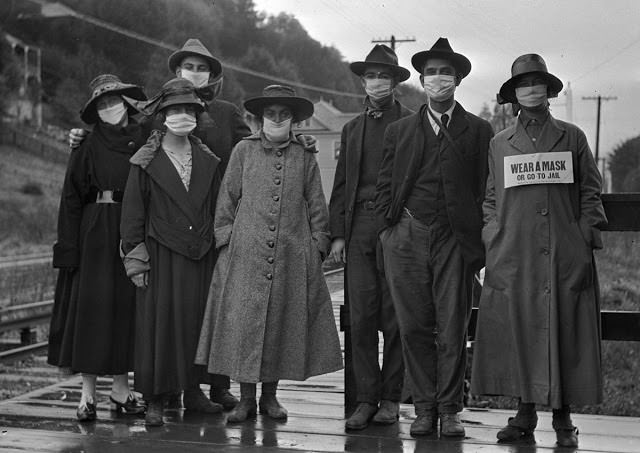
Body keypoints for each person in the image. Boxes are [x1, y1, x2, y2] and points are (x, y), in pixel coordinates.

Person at [470, 54, 607, 448]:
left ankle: (564, 418)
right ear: (514, 94)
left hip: (565, 252)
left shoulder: (573, 137)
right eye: (523, 84)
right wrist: (494, 238)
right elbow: (491, 198)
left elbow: (590, 193)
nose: (531, 90)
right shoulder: (499, 143)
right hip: (516, 253)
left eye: (538, 82)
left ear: (549, 90)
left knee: (564, 329)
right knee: (521, 330)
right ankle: (525, 414)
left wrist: (582, 238)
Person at [195, 85, 343, 423]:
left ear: (293, 119)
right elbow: (228, 198)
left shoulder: (304, 155)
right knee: (247, 325)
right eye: (270, 115)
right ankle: (246, 399)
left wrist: (319, 241)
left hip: (291, 252)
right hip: (245, 252)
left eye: (283, 115)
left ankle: (270, 399)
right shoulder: (242, 152)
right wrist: (227, 239)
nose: (276, 119)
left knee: (278, 323)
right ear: (260, 119)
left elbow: (316, 201)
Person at [375, 37, 493, 437]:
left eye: (445, 72)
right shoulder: (400, 130)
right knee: (413, 326)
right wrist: (389, 233)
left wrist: (475, 241)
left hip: (454, 240)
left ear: (457, 79)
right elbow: (384, 185)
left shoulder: (478, 130)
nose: (437, 79)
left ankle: (451, 409)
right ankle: (424, 408)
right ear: (422, 80)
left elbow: (484, 189)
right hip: (407, 234)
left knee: (454, 324)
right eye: (431, 73)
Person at [120, 77, 224, 426]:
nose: (182, 115)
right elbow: (133, 213)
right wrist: (137, 262)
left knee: (197, 323)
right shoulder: (145, 160)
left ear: (197, 114)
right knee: (159, 327)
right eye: (175, 109)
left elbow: (214, 207)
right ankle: (155, 399)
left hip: (200, 253)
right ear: (163, 115)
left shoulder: (208, 159)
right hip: (161, 254)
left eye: (188, 109)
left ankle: (193, 392)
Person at [48, 74, 149, 421]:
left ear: (126, 102)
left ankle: (121, 390)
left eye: (114, 101)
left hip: (131, 227)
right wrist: (69, 248)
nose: (109, 107)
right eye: (102, 104)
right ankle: (87, 396)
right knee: (91, 311)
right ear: (95, 111)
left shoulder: (144, 137)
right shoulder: (85, 145)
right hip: (93, 230)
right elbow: (70, 197)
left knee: (125, 308)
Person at [328, 44, 411, 430]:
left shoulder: (412, 123)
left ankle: (391, 398)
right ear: (363, 81)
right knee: (359, 317)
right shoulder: (351, 128)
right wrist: (339, 236)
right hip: (359, 226)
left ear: (395, 82)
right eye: (371, 76)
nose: (377, 82)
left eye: (384, 76)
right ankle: (365, 398)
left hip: (397, 226)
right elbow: (342, 183)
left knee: (395, 317)